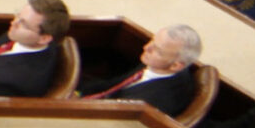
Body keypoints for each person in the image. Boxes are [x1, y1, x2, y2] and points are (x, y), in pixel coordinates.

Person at [78, 23, 206, 117]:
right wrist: (79, 92)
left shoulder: (157, 101)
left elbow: (111, 117)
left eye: (158, 50)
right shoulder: (158, 64)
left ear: (176, 66)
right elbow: (112, 85)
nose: (146, 47)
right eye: (152, 41)